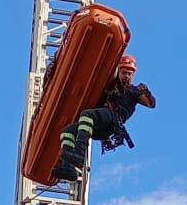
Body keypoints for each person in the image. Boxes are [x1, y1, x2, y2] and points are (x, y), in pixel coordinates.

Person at [51, 54, 156, 182]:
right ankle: (68, 168)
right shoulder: (111, 86)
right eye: (124, 73)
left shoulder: (133, 91)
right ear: (119, 72)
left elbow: (151, 104)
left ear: (133, 75)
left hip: (113, 119)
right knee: (67, 131)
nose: (127, 76)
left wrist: (146, 92)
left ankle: (79, 153)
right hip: (101, 128)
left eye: (129, 74)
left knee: (87, 115)